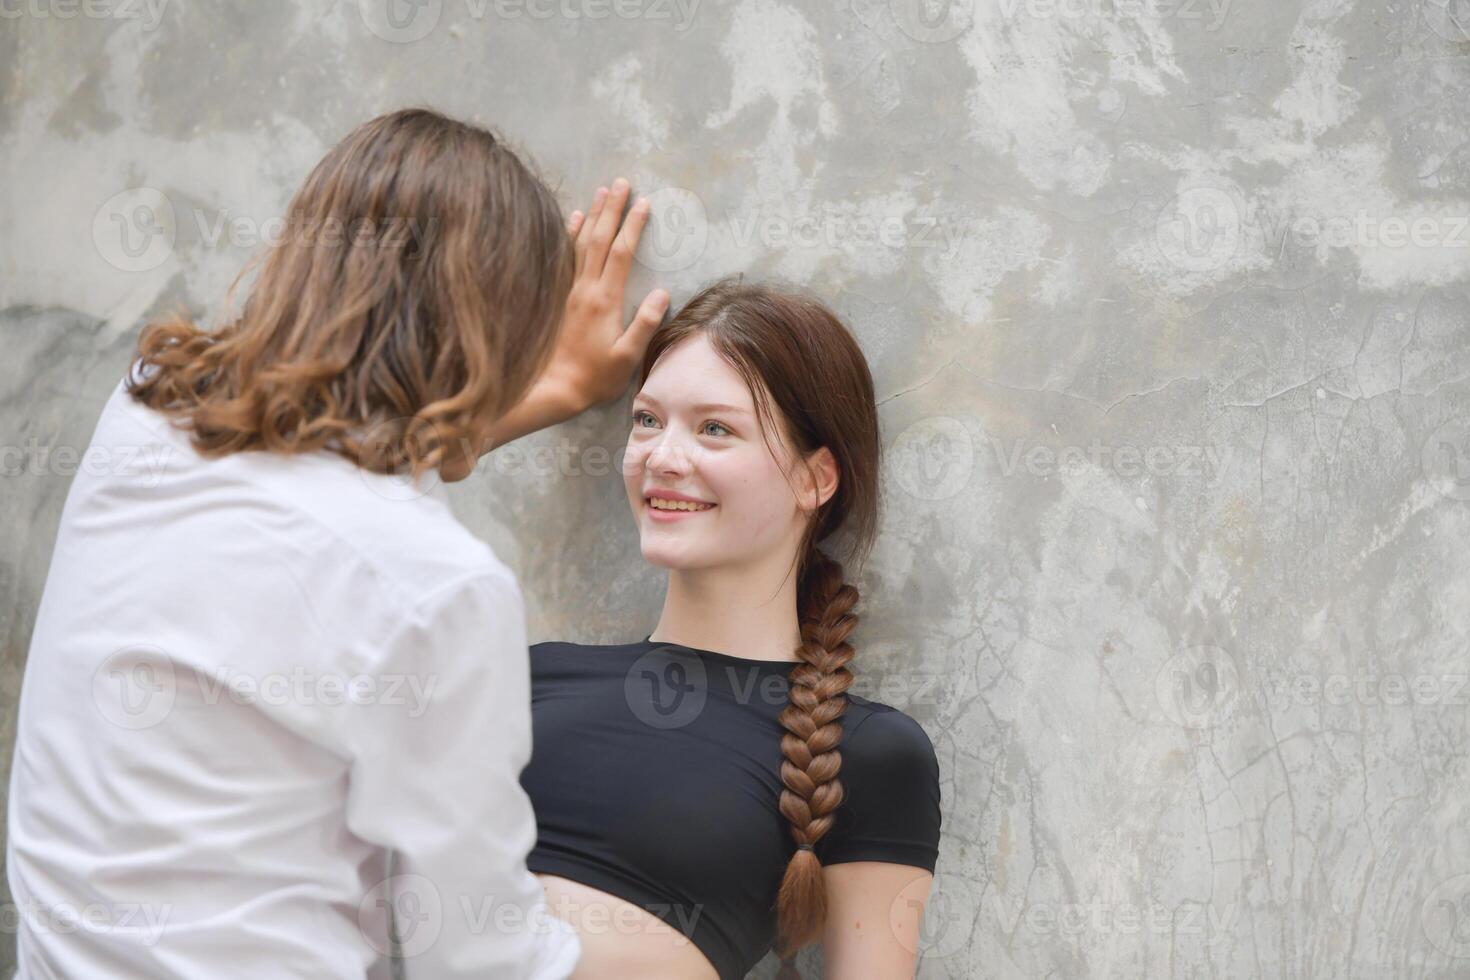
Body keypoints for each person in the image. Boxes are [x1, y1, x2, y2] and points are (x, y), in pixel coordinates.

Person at [6, 107, 666, 978]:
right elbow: (478, 956)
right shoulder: (440, 588)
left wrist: (550, 390)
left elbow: (324, 476)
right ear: (498, 338)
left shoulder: (148, 406)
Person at [513, 278, 943, 979]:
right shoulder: (529, 677)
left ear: (815, 479)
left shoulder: (865, 752)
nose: (663, 456)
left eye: (715, 428)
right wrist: (540, 399)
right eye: (648, 419)